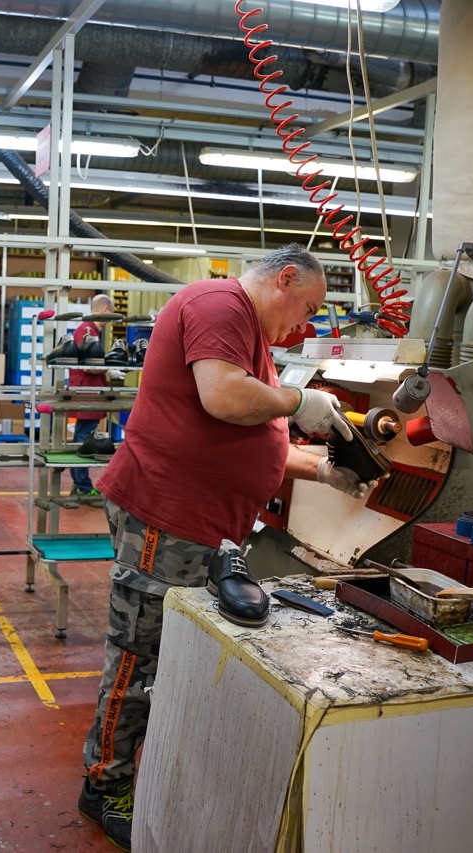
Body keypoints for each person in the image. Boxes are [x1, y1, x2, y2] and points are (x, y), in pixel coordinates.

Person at [76, 245, 377, 850]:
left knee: (163, 653)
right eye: (307, 308)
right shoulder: (220, 303)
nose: (304, 326)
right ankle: (103, 784)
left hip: (200, 524)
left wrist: (321, 472)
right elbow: (222, 397)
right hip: (167, 515)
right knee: (139, 653)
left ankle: (141, 769)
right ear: (285, 279)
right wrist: (300, 402)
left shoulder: (250, 333)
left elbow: (251, 435)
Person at [68, 293, 120, 499]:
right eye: (112, 314)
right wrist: (109, 368)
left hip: (89, 391)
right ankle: (82, 486)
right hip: (87, 392)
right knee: (84, 440)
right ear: (105, 310)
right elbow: (90, 365)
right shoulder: (87, 330)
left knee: (84, 436)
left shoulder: (90, 331)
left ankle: (79, 484)